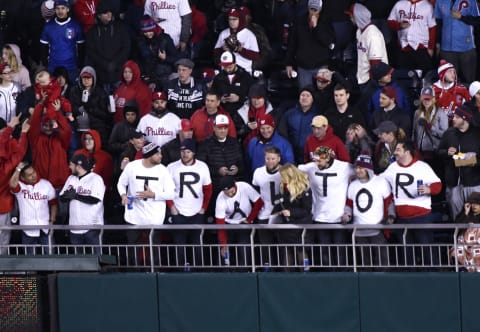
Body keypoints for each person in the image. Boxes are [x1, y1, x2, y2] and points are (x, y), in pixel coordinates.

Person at [381, 140, 442, 266]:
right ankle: (410, 278)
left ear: (407, 152)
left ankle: (433, 277)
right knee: (407, 253)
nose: (395, 152)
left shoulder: (422, 166)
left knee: (427, 251)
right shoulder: (392, 167)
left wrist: (429, 189)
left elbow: (438, 185)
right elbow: (380, 179)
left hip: (421, 217)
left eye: (398, 149)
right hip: (402, 219)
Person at [299, 146, 354, 268]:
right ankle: (329, 277)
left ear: (328, 159)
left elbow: (362, 171)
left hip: (338, 217)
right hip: (320, 216)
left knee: (340, 252)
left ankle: (342, 277)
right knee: (325, 252)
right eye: (315, 160)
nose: (316, 163)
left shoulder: (344, 167)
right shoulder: (310, 167)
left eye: (319, 161)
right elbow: (294, 170)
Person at [117, 142, 176, 253]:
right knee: (133, 251)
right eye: (158, 154)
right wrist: (123, 195)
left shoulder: (163, 170)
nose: (161, 156)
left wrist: (154, 195)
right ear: (149, 155)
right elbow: (121, 183)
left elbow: (171, 193)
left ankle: (155, 271)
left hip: (154, 217)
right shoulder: (132, 167)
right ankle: (134, 270)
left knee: (155, 252)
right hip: (134, 216)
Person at [166, 138, 212, 268]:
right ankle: (180, 273)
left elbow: (208, 190)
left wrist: (203, 209)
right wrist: (172, 208)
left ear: (194, 153)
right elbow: (166, 190)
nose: (185, 154)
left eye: (188, 151)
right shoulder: (172, 167)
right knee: (179, 247)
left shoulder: (202, 166)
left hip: (197, 212)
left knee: (198, 247)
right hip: (179, 212)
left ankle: (199, 272)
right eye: (182, 151)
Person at [344, 154, 393, 269]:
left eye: (361, 168)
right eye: (356, 168)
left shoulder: (381, 181)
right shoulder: (353, 185)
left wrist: (391, 215)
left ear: (368, 169)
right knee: (365, 265)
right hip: (359, 231)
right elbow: (349, 205)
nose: (358, 170)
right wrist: (347, 215)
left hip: (378, 229)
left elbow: (389, 202)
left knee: (383, 264)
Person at [196, 114, 245, 220]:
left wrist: (237, 169)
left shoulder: (235, 143)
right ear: (214, 128)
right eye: (219, 128)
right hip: (215, 188)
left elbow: (242, 164)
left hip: (233, 188)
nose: (222, 131)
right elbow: (200, 167)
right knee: (215, 218)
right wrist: (217, 171)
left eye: (225, 128)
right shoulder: (205, 144)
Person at [438, 104, 480, 221]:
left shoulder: (477, 134)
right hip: (454, 184)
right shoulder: (449, 133)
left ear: (464, 118)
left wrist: (474, 163)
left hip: (474, 183)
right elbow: (438, 152)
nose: (453, 119)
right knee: (457, 219)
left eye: (456, 117)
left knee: (477, 217)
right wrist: (447, 152)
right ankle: (459, 238)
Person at [59, 154, 105, 252]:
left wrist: (75, 196)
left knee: (96, 259)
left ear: (78, 166)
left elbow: (95, 199)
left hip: (92, 226)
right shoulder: (71, 178)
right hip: (74, 226)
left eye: (71, 165)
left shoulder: (96, 179)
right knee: (79, 261)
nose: (69, 167)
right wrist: (67, 196)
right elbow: (62, 197)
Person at [285, 0, 335, 89]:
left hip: (321, 65)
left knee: (322, 94)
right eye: (311, 9)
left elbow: (328, 41)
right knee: (305, 93)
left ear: (320, 9)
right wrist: (289, 63)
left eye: (316, 10)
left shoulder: (326, 21)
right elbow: (292, 43)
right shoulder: (300, 21)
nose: (313, 12)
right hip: (304, 66)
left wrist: (316, 27)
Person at [215, 175, 263, 267]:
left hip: (244, 224)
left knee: (244, 250)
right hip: (228, 224)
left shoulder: (244, 187)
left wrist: (249, 219)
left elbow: (259, 202)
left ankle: (244, 272)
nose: (230, 194)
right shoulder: (220, 199)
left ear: (235, 185)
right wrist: (223, 245)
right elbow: (220, 225)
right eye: (226, 193)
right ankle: (225, 274)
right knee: (224, 253)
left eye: (231, 191)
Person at [9, 162, 57, 253]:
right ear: (23, 177)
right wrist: (18, 169)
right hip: (28, 228)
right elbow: (12, 184)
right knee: (29, 258)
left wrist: (52, 220)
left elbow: (53, 203)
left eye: (33, 172)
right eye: (29, 175)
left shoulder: (46, 184)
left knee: (50, 256)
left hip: (45, 227)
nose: (33, 176)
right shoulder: (21, 187)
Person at [85, 0, 131, 93]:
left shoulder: (121, 28)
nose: (109, 14)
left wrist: (115, 63)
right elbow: (91, 52)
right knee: (103, 104)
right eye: (105, 12)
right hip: (100, 76)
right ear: (99, 16)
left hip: (119, 74)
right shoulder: (92, 32)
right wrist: (105, 64)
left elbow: (126, 47)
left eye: (110, 12)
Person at [0, 116, 30, 255]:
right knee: (3, 241)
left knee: (4, 241)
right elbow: (19, 153)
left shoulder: (6, 165)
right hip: (4, 207)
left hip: (4, 207)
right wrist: (21, 131)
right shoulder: (6, 167)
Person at [276, 163, 313, 270]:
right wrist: (279, 211)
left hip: (301, 228)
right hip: (287, 227)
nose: (281, 178)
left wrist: (291, 212)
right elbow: (282, 204)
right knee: (287, 254)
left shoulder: (304, 188)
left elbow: (306, 210)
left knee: (301, 252)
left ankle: (305, 278)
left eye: (283, 176)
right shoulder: (283, 187)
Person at [252, 146, 283, 267]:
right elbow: (254, 193)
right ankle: (267, 270)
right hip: (264, 214)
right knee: (265, 248)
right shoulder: (258, 172)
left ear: (279, 158)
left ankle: (283, 271)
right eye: (268, 158)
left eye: (273, 159)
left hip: (281, 214)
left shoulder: (285, 172)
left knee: (282, 247)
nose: (270, 161)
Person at [435, 0, 479, 84]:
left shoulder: (471, 1)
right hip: (447, 48)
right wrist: (437, 44)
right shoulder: (440, 1)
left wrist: (462, 17)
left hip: (466, 48)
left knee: (469, 82)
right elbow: (438, 23)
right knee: (448, 82)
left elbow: (477, 20)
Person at [345, 3, 388, 88]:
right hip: (362, 78)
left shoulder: (373, 34)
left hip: (373, 80)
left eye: (352, 16)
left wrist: (372, 83)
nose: (350, 19)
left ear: (358, 17)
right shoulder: (359, 31)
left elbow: (376, 63)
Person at [40, 0, 85, 80]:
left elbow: (81, 47)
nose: (60, 11)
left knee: (72, 89)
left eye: (63, 8)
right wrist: (45, 64)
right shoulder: (48, 26)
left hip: (71, 66)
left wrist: (79, 64)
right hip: (53, 65)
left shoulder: (76, 25)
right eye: (57, 8)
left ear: (68, 9)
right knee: (54, 89)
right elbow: (43, 47)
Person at [387, 0, 436, 73]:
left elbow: (432, 28)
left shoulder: (427, 6)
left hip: (421, 48)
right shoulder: (400, 4)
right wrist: (399, 25)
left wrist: (431, 47)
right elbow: (390, 21)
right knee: (404, 76)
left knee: (424, 77)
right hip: (404, 47)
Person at [210, 51, 254, 133]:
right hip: (223, 113)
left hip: (241, 114)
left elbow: (253, 95)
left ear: (235, 63)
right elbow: (212, 94)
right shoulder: (218, 78)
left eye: (229, 66)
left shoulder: (246, 77)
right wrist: (220, 99)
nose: (227, 69)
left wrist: (240, 98)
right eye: (224, 66)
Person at [68, 66, 111, 146]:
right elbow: (72, 109)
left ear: (93, 79)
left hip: (97, 126)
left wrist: (90, 109)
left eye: (88, 78)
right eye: (84, 78)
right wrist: (81, 109)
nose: (86, 80)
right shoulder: (75, 91)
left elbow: (104, 114)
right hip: (80, 125)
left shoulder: (100, 92)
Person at [412, 86, 448, 177]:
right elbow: (414, 132)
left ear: (433, 99)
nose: (426, 101)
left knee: (436, 177)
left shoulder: (440, 113)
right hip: (420, 153)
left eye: (429, 99)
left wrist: (430, 127)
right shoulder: (417, 113)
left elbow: (445, 134)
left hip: (435, 153)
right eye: (424, 99)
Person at [137, 15, 180, 92]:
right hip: (149, 78)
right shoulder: (140, 42)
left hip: (165, 77)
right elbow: (139, 61)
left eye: (150, 30)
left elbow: (176, 58)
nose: (148, 34)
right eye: (145, 32)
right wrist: (143, 75)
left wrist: (165, 58)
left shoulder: (165, 39)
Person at [277, 86, 319, 163]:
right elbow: (282, 132)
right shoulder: (290, 114)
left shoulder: (317, 115)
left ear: (312, 99)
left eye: (308, 96)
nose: (304, 98)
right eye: (302, 95)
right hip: (291, 154)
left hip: (310, 155)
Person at [213, 7, 259, 74]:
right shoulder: (224, 33)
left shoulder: (249, 35)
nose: (231, 22)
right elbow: (215, 52)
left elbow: (256, 56)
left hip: (244, 71)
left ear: (241, 20)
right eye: (230, 19)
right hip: (226, 70)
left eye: (234, 19)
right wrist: (223, 49)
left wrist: (240, 50)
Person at [451, 191, 480, 272]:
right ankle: (463, 269)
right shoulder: (465, 213)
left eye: (477, 204)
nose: (474, 206)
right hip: (464, 243)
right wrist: (465, 214)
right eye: (472, 203)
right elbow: (457, 226)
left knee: (477, 252)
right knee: (457, 250)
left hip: (477, 243)